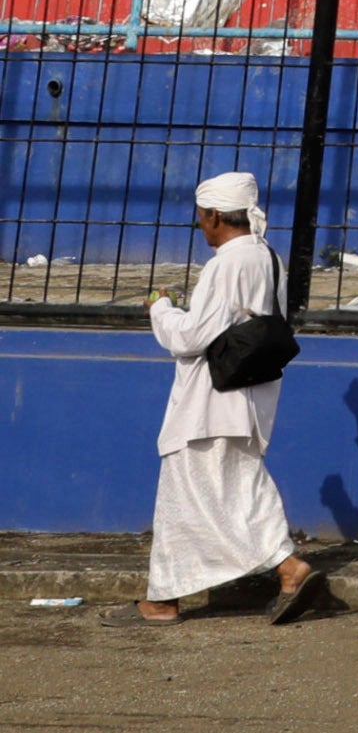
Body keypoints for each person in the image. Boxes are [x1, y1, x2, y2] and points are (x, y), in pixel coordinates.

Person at [131, 171, 325, 625]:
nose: (201, 225)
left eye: (202, 216)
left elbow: (191, 338)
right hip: (249, 397)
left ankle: (287, 568)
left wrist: (161, 307)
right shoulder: (267, 258)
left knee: (194, 498)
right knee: (234, 492)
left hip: (210, 403)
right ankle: (166, 596)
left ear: (215, 215)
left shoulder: (226, 264)